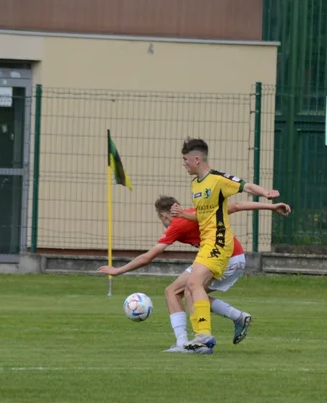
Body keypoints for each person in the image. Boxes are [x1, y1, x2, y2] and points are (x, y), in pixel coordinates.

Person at [98, 196, 291, 352]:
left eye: (162, 221)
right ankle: (237, 317)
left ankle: (189, 343)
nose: (164, 225)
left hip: (225, 257)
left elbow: (149, 257)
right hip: (234, 256)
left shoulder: (176, 224)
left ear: (165, 216)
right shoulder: (194, 213)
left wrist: (118, 270)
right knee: (187, 291)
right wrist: (271, 207)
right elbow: (236, 205)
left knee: (180, 291)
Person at [179, 137, 280, 354]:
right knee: (191, 290)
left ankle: (204, 335)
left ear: (197, 159)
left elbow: (245, 186)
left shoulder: (218, 179)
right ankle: (204, 341)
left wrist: (266, 194)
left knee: (194, 283)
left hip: (219, 242)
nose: (184, 164)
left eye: (185, 160)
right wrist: (184, 215)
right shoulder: (195, 185)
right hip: (207, 243)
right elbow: (202, 216)